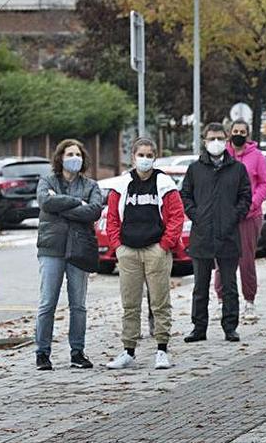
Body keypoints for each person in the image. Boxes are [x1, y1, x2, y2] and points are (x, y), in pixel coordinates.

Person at [104, 138, 184, 370]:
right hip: (128, 251)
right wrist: (118, 246)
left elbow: (177, 216)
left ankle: (162, 349)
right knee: (130, 303)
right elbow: (112, 218)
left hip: (155, 250)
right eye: (141, 155)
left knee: (159, 302)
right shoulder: (122, 185)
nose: (145, 159)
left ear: (155, 158)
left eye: (149, 155)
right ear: (133, 157)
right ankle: (128, 350)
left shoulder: (164, 184)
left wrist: (164, 246)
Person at [34, 139, 103, 371]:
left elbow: (93, 211)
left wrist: (61, 206)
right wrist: (76, 203)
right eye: (69, 154)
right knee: (47, 303)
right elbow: (45, 201)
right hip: (51, 248)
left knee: (78, 305)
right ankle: (42, 353)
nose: (75, 158)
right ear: (60, 158)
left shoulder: (91, 185)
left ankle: (77, 352)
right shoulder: (47, 181)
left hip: (79, 249)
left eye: (78, 154)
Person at [181, 123, 252, 343]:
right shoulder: (195, 169)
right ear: (204, 141)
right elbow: (185, 196)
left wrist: (233, 216)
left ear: (226, 140)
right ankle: (198, 328)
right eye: (211, 138)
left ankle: (230, 327)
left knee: (229, 284)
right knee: (200, 285)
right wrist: (197, 215)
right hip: (202, 233)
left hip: (228, 233)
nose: (216, 143)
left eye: (220, 138)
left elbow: (245, 197)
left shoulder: (237, 169)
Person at [211, 119, 266, 321]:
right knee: (221, 261)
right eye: (235, 131)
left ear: (248, 134)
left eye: (242, 131)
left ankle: (249, 301)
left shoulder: (257, 156)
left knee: (246, 260)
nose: (238, 134)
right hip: (225, 217)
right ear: (229, 133)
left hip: (248, 216)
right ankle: (221, 301)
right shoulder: (221, 155)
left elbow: (264, 184)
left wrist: (251, 204)